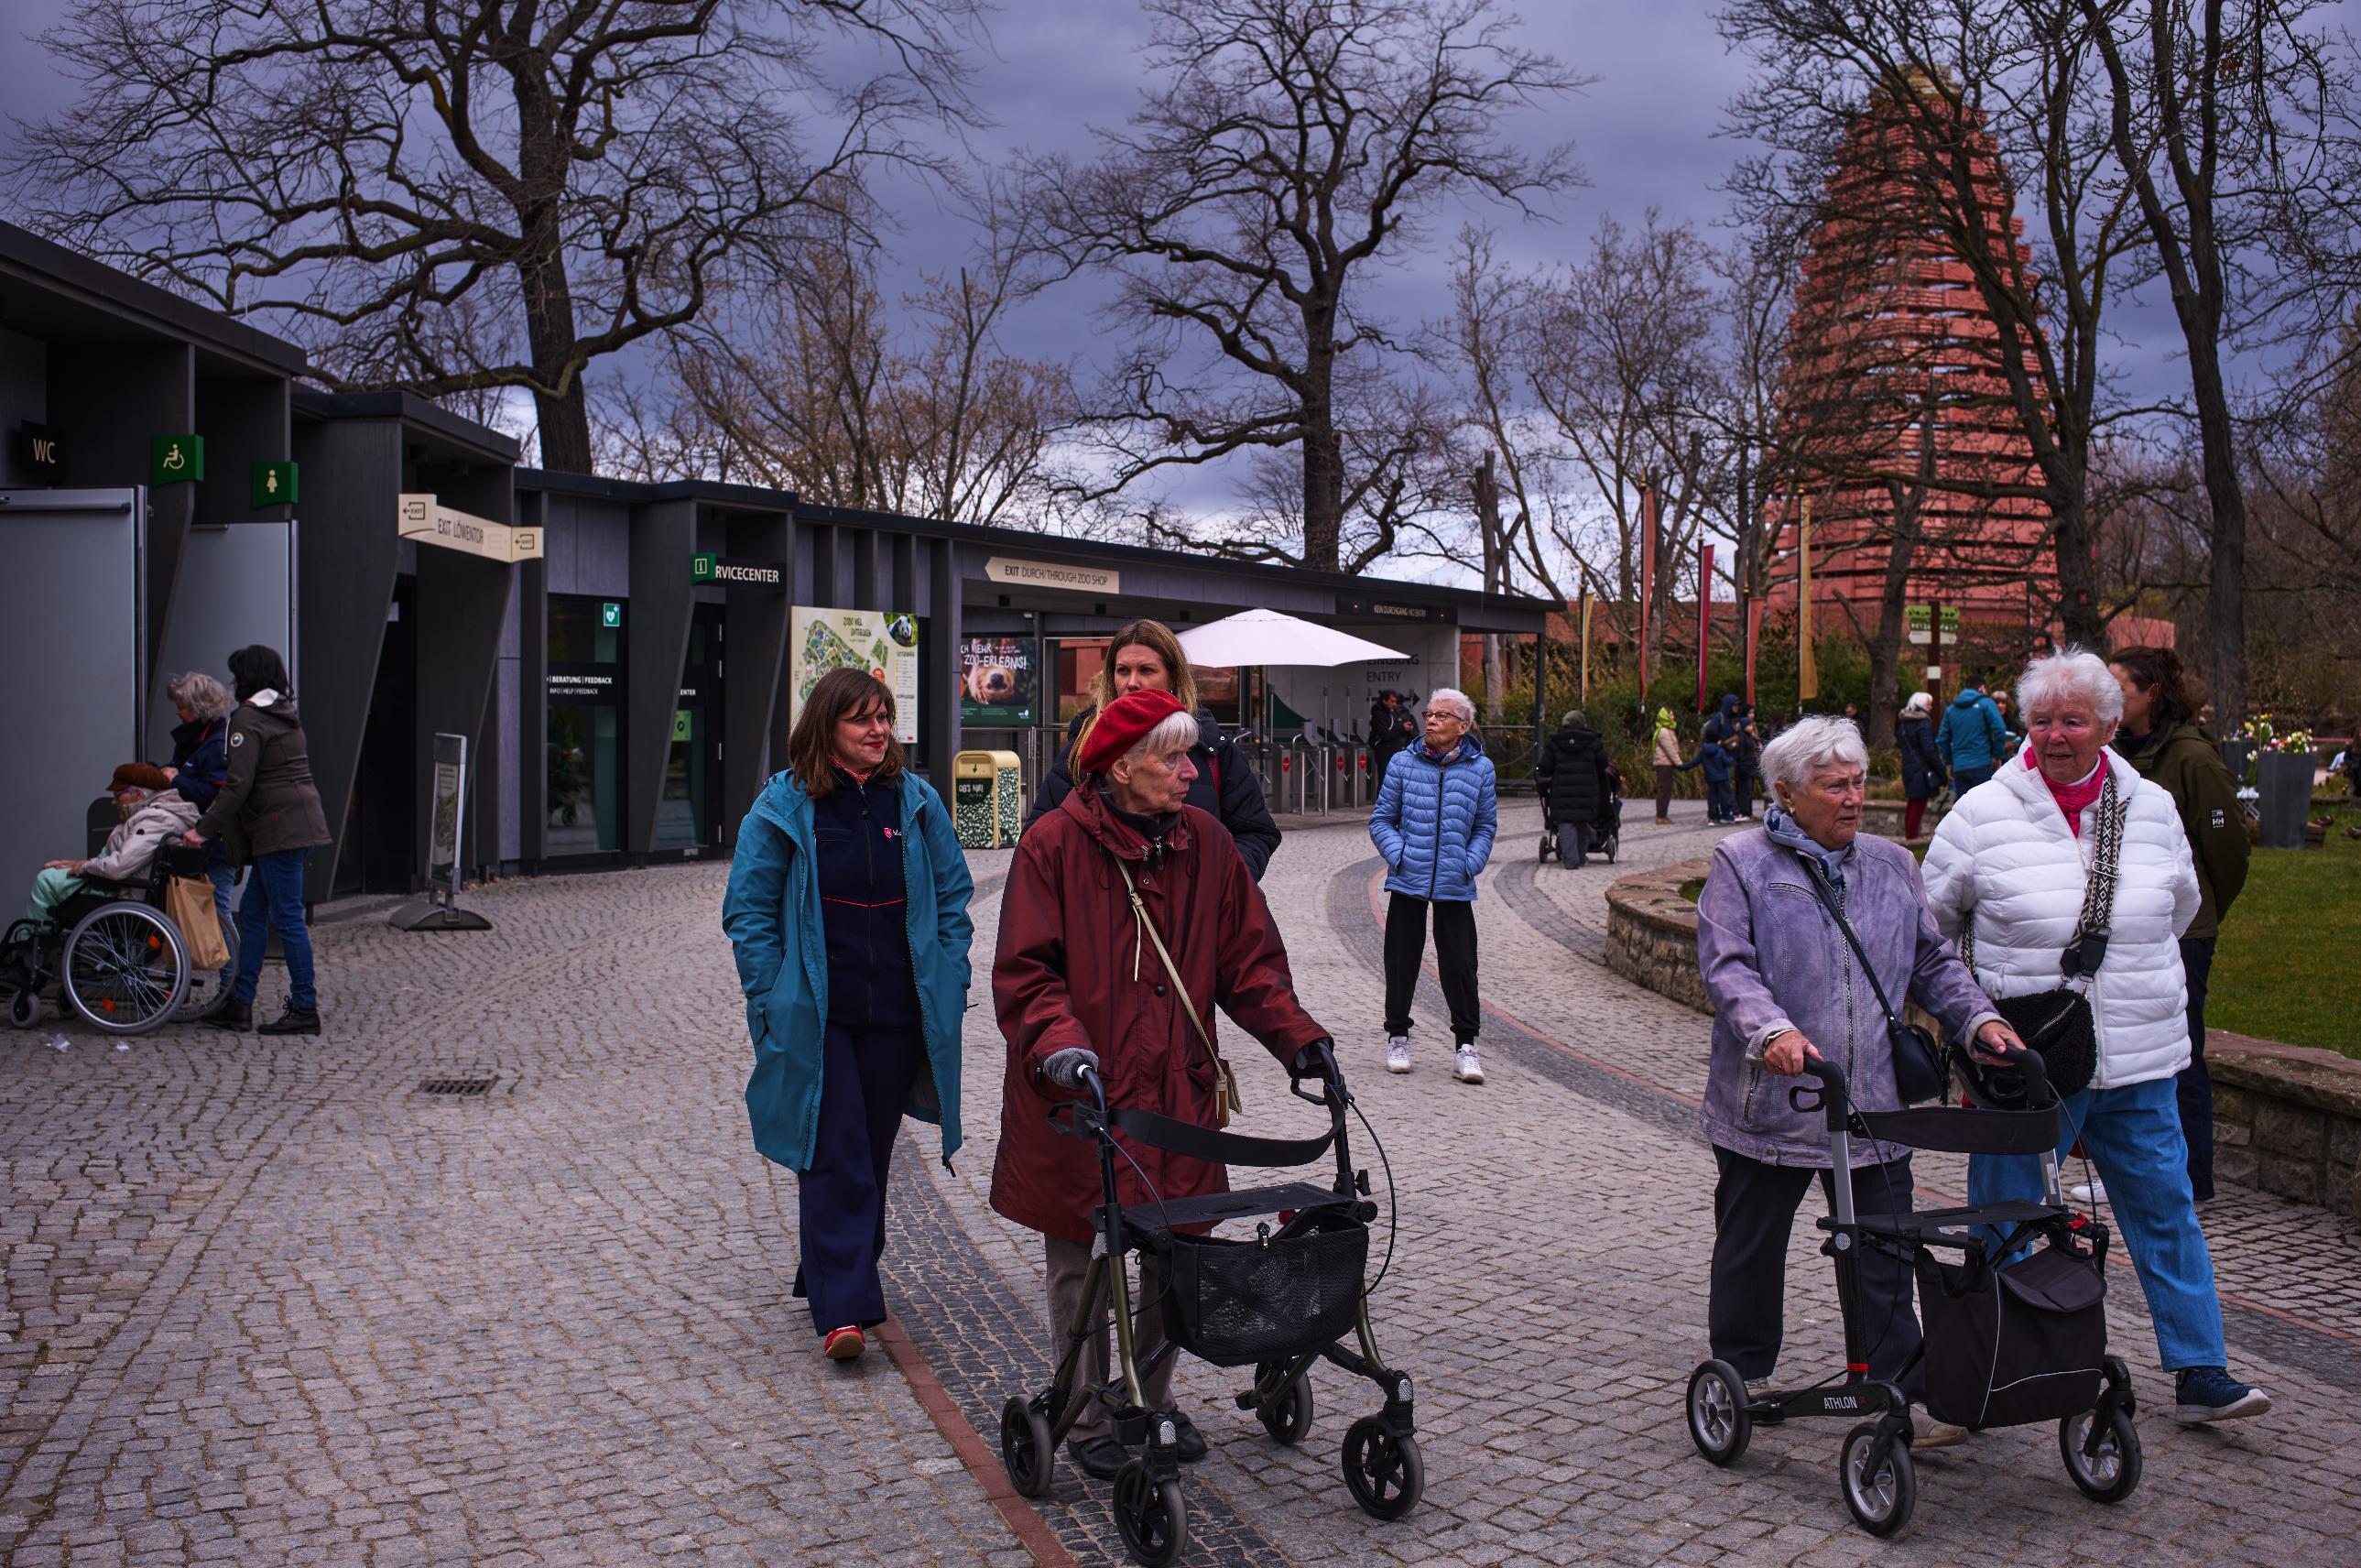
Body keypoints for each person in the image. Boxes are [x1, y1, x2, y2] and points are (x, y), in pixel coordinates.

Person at [991, 688, 1333, 1480]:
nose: (1192, 771)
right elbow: (1027, 974)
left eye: (1192, 756)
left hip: (1177, 1093)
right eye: (1174, 758)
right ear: (1121, 766)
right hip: (1082, 1096)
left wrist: (1300, 1041)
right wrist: (1062, 1048)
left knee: (1176, 1254)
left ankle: (1148, 1396)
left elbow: (1249, 965)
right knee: (1082, 1258)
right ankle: (1083, 1413)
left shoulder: (1207, 843)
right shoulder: (1052, 845)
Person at [1923, 647, 2271, 1424]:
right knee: (2006, 1213)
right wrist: (1971, 1021)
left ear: (2107, 725)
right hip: (2029, 1065)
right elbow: (1928, 931)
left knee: (2164, 1211)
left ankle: (2199, 1372)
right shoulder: (1981, 813)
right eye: (2042, 719)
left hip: (2143, 1059)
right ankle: (1999, 1363)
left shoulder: (2149, 805)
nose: (2055, 734)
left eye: (2073, 720)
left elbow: (2179, 910)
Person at [1695, 715, 2020, 1447]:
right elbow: (1728, 967)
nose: (1852, 798)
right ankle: (1741, 1371)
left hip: (1871, 1102)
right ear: (1785, 790)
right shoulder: (1742, 860)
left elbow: (1933, 963)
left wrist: (1979, 1024)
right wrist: (1772, 1032)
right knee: (1751, 1245)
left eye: (1859, 782)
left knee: (1886, 1246)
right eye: (1834, 785)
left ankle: (1895, 1384)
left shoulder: (1891, 863)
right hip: (1772, 1103)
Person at [723, 668, 974, 1363]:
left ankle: (833, 1267)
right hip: (818, 1013)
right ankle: (846, 1310)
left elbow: (954, 899)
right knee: (836, 1152)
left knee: (868, 1149)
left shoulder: (915, 802)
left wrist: (950, 976)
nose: (879, 730)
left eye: (885, 716)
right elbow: (748, 913)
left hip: (897, 1009)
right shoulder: (785, 806)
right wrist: (770, 992)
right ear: (826, 727)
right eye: (862, 718)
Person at [2109, 647, 2249, 1207]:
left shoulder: (2191, 756)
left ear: (2152, 694)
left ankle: (2194, 1180)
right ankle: (2139, 1170)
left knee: (2181, 1050)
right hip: (2127, 926)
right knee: (2134, 1049)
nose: (2110, 698)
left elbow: (2228, 850)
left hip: (2183, 931)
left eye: (2120, 688)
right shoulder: (2116, 751)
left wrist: (2202, 912)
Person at [1027, 618, 1280, 879]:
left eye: (1147, 670)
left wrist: (1221, 885)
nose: (1132, 682)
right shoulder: (1084, 747)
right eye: (1123, 670)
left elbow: (1255, 832)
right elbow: (1039, 838)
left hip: (1191, 914)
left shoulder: (1212, 748)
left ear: (1172, 677)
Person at [183, 645, 332, 1036]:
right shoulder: (282, 712)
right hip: (294, 825)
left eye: (236, 675)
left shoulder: (248, 719)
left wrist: (202, 829)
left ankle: (304, 1007)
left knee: (286, 919)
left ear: (248, 677)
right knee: (251, 915)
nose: (232, 682)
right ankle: (240, 1003)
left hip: (279, 830)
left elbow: (237, 785)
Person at [1370, 689, 1497, 1083]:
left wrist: (1469, 862)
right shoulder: (1402, 763)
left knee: (1460, 963)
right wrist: (1401, 855)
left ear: (1464, 726)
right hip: (1409, 877)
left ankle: (1466, 1047)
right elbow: (1381, 820)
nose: (1431, 720)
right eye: (1430, 712)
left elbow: (1485, 826)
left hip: (1454, 882)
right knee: (1401, 959)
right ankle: (1397, 1036)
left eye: (1442, 715)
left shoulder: (1481, 769)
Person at [24, 765, 196, 924]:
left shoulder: (156, 819)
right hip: (127, 889)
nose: (114, 802)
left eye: (117, 795)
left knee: (46, 880)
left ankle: (31, 948)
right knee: (54, 873)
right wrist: (83, 863)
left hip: (124, 896)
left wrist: (84, 868)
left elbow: (117, 867)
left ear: (138, 795)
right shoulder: (162, 816)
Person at [162, 671, 237, 1008]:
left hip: (214, 845)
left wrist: (176, 779)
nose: (177, 712)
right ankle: (177, 989)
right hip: (190, 842)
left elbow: (214, 795)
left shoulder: (217, 744)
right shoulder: (195, 739)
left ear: (198, 707)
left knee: (219, 912)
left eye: (181, 706)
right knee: (175, 913)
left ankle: (233, 989)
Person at [1536, 708, 1614, 867]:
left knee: (1566, 823)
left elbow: (1545, 768)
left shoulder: (1554, 742)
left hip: (1562, 794)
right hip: (1587, 793)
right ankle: (1580, 856)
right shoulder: (1593, 741)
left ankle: (1571, 860)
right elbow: (1603, 765)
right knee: (1582, 822)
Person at [1936, 674, 2010, 794]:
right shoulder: (1986, 703)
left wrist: (1950, 762)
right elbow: (1999, 730)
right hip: (1982, 764)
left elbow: (1942, 739)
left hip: (1959, 767)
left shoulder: (1951, 710)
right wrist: (1997, 756)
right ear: (1981, 687)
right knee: (1983, 806)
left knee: (1964, 809)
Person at [1898, 691, 1948, 840]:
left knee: (1912, 803)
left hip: (1908, 767)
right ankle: (1912, 841)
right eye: (1929, 704)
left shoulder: (1904, 722)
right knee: (1919, 804)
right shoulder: (1923, 723)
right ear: (1921, 705)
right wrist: (1941, 771)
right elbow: (1929, 751)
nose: (1931, 708)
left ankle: (1909, 836)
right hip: (1921, 770)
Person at [1677, 733, 1737, 823]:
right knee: (1728, 796)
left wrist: (1681, 767)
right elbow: (1726, 762)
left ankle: (1712, 818)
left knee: (1712, 798)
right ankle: (1734, 814)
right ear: (1717, 740)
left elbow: (1694, 762)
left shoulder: (1703, 751)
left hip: (1710, 779)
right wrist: (1733, 759)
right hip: (1722, 778)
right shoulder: (1720, 750)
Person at [1368, 689, 1417, 775]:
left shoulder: (1392, 713)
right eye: (1392, 701)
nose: (1394, 704)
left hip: (1395, 753)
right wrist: (1402, 728)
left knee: (1394, 782)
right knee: (1385, 781)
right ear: (1384, 701)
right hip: (1385, 753)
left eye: (1395, 701)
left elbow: (1396, 731)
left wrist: (1407, 729)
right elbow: (1385, 735)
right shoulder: (1379, 715)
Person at [1729, 707, 1764, 821]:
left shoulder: (1750, 737)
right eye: (1749, 725)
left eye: (1751, 725)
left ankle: (1747, 812)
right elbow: (1741, 755)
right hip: (1745, 768)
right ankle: (1745, 812)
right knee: (1745, 791)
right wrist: (1743, 766)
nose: (1751, 727)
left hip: (1750, 767)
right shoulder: (1742, 738)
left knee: (1748, 791)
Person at [1650, 707, 1682, 824]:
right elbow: (1670, 750)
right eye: (1671, 714)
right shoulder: (1663, 731)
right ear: (1666, 716)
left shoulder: (1668, 730)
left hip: (1666, 764)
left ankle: (1663, 815)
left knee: (1666, 789)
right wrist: (1679, 764)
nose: (1673, 717)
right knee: (1664, 790)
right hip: (1664, 764)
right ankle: (1660, 816)